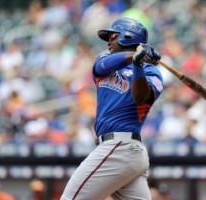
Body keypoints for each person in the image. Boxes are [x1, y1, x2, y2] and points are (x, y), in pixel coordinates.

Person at [60, 17, 163, 200]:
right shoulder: (105, 61)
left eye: (113, 35)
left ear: (128, 37)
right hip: (120, 152)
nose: (109, 41)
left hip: (121, 146)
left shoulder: (151, 72)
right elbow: (100, 67)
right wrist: (134, 56)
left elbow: (140, 98)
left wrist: (138, 65)